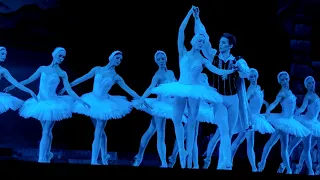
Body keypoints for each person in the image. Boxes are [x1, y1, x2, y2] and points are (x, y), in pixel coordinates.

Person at [151, 6, 234, 169]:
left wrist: (231, 70)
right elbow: (181, 30)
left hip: (195, 89)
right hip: (181, 86)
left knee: (192, 124)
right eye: (199, 40)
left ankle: (190, 160)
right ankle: (182, 151)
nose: (200, 42)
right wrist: (190, 12)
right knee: (176, 119)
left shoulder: (203, 59)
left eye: (203, 41)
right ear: (193, 41)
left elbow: (215, 69)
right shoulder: (182, 51)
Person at [59, 50, 146, 165]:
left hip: (105, 104)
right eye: (117, 58)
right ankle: (104, 157)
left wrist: (141, 98)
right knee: (101, 133)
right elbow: (82, 78)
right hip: (92, 101)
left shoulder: (116, 77)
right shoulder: (97, 69)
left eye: (120, 59)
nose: (119, 60)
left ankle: (94, 160)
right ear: (111, 57)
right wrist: (67, 87)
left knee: (98, 132)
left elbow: (129, 89)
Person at [4, 47, 89, 163]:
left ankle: (42, 159)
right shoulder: (42, 68)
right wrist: (14, 86)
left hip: (53, 104)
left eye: (63, 57)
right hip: (40, 103)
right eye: (60, 55)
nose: (62, 58)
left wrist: (81, 100)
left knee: (46, 131)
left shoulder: (62, 73)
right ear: (54, 55)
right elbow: (29, 79)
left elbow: (69, 90)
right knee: (46, 130)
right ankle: (48, 153)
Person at [193, 7, 251, 170]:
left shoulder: (238, 60)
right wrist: (198, 20)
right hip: (218, 98)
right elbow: (204, 40)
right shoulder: (213, 55)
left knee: (229, 131)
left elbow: (246, 74)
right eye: (220, 42)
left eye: (224, 42)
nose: (220, 44)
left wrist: (240, 68)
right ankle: (227, 163)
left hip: (233, 99)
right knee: (224, 129)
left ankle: (222, 164)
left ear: (230, 45)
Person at [131, 50, 181, 168]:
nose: (161, 61)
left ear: (166, 59)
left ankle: (139, 156)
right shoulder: (157, 75)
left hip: (171, 104)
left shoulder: (171, 72)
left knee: (150, 131)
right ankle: (164, 163)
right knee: (160, 132)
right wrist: (141, 98)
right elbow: (150, 88)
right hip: (160, 105)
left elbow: (177, 86)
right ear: (156, 61)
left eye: (162, 58)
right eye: (158, 60)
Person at [257, 71, 311, 174]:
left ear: (289, 79)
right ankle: (288, 170)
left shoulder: (290, 92)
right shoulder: (281, 93)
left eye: (286, 79)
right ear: (280, 82)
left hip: (289, 119)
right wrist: (268, 110)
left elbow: (293, 107)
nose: (285, 81)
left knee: (271, 142)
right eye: (282, 80)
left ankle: (263, 163)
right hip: (284, 121)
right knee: (283, 146)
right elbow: (275, 103)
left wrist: (299, 112)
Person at [228, 68, 275, 172]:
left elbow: (259, 100)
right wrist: (248, 116)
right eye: (251, 76)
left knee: (241, 139)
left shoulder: (257, 87)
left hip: (255, 116)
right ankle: (253, 168)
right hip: (250, 118)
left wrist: (266, 104)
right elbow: (244, 101)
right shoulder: (250, 89)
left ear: (257, 76)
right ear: (248, 78)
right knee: (248, 142)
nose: (253, 78)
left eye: (254, 76)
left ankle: (229, 160)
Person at [277, 76, 320, 175]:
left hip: (314, 123)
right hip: (306, 123)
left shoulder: (315, 95)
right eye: (309, 83)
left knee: (305, 147)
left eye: (312, 82)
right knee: (295, 145)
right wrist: (296, 113)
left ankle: (293, 165)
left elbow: (316, 112)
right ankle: (285, 165)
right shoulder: (308, 96)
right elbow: (303, 107)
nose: (311, 84)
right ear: (306, 85)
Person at [0, 46, 37, 114]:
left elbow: (16, 83)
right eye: (2, 54)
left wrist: (29, 91)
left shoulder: (3, 71)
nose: (4, 56)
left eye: (5, 54)